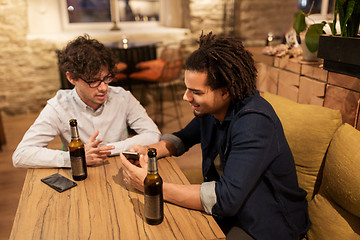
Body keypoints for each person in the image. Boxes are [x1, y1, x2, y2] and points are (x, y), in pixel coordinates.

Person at [121, 32, 310, 239]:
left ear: (225, 91)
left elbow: (226, 199)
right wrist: (148, 151)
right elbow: (183, 138)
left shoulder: (254, 123)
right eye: (187, 88)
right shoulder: (213, 110)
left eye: (197, 92)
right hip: (234, 208)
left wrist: (153, 186)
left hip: (268, 222)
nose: (186, 97)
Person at [13, 34, 161, 168]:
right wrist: (76, 157)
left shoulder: (122, 97)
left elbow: (153, 134)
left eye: (106, 78)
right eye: (93, 81)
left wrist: (109, 149)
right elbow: (21, 155)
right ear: (71, 78)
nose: (103, 87)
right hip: (81, 174)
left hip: (121, 168)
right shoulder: (59, 106)